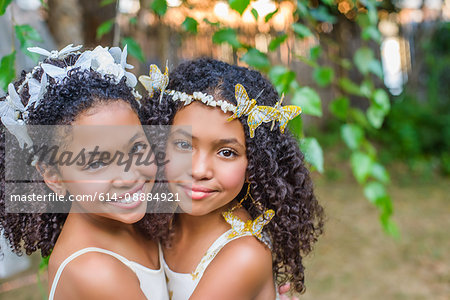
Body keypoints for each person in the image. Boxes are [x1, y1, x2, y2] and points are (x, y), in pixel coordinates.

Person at [139, 58, 325, 299]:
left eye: (226, 152)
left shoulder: (242, 256)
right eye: (184, 144)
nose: (199, 170)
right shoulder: (159, 216)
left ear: (255, 165)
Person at [0, 44, 171, 299]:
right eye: (96, 163)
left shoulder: (137, 223)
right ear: (54, 177)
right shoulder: (95, 271)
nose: (128, 176)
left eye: (136, 147)